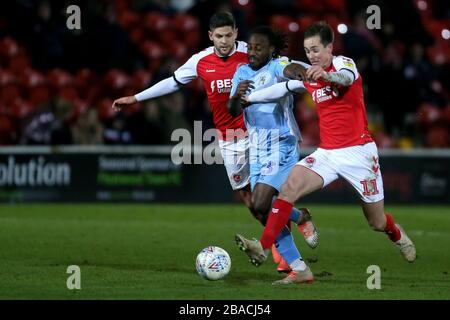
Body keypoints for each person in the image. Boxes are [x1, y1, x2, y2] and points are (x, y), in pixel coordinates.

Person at [111, 12, 317, 272]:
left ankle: (286, 259)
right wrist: (137, 98)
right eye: (219, 36)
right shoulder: (200, 61)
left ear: (235, 33)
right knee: (253, 205)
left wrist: (309, 72)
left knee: (265, 198)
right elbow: (173, 83)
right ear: (210, 36)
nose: (224, 41)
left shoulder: (250, 51)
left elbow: (284, 63)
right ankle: (299, 217)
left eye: (229, 35)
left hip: (256, 134)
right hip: (229, 139)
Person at [235, 21, 416, 281]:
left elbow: (347, 78)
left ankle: (397, 235)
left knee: (376, 222)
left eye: (317, 50)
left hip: (359, 154)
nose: (312, 56)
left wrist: (328, 75)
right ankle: (262, 248)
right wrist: (250, 99)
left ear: (330, 47)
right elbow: (282, 88)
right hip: (327, 154)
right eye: (308, 51)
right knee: (288, 190)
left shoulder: (344, 64)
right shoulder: (309, 75)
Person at [229, 26, 317, 284]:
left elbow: (289, 70)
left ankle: (298, 221)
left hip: (281, 143)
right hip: (256, 147)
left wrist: (299, 73)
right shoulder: (241, 72)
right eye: (250, 48)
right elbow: (233, 109)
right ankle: (300, 265)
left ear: (271, 50)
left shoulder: (277, 66)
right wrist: (237, 94)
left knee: (259, 203)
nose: (252, 52)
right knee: (264, 210)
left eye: (258, 48)